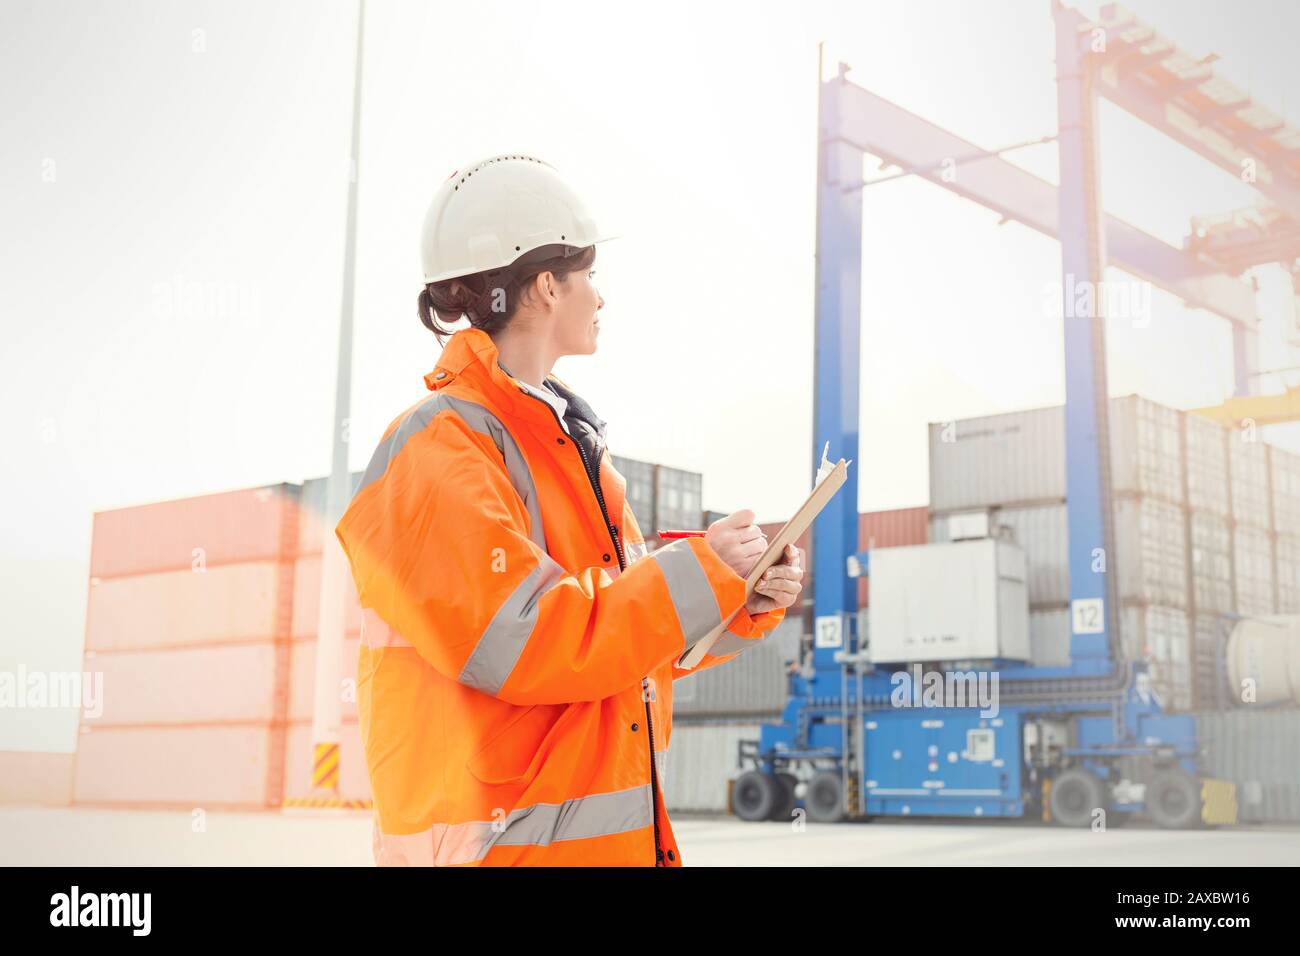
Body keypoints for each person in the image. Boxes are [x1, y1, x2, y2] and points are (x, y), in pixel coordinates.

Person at [335, 154, 804, 866]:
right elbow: (529, 641)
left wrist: (736, 594)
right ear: (547, 285)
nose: (600, 297)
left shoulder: (577, 453)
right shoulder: (434, 449)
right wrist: (694, 571)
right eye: (589, 275)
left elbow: (621, 651)